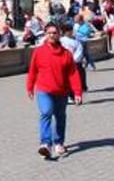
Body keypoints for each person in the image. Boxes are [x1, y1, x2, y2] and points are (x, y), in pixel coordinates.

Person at [26, 22, 84, 160]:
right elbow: (33, 71)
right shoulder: (39, 52)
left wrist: (77, 93)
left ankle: (59, 142)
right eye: (49, 33)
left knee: (60, 117)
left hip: (61, 91)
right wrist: (30, 87)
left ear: (59, 35)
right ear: (46, 35)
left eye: (54, 33)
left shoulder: (66, 54)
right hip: (44, 89)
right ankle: (45, 143)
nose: (52, 35)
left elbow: (73, 74)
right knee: (46, 112)